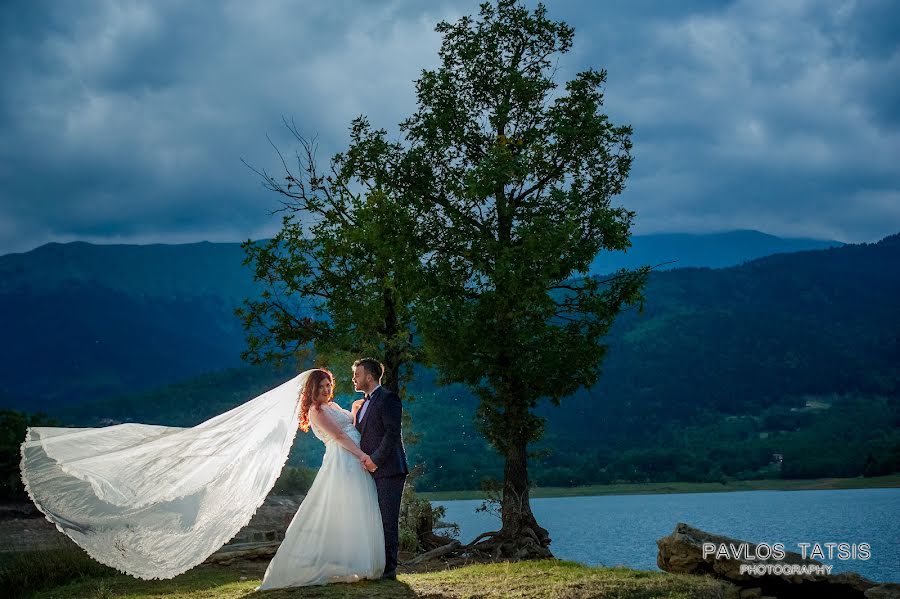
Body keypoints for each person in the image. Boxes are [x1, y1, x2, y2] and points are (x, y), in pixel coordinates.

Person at [256, 368, 385, 589]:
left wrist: (354, 410)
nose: (326, 390)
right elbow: (338, 435)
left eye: (328, 385)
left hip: (352, 457)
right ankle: (322, 561)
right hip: (343, 459)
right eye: (321, 386)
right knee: (337, 509)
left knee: (356, 508)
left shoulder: (332, 406)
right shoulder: (316, 411)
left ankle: (356, 561)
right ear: (312, 390)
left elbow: (348, 426)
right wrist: (362, 455)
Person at [351, 357, 410, 580]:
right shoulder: (363, 403)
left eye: (357, 374)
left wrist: (375, 459)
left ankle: (389, 569)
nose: (354, 378)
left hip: (389, 470)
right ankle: (375, 564)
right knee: (371, 519)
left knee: (387, 519)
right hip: (368, 471)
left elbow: (392, 434)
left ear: (369, 376)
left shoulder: (388, 399)